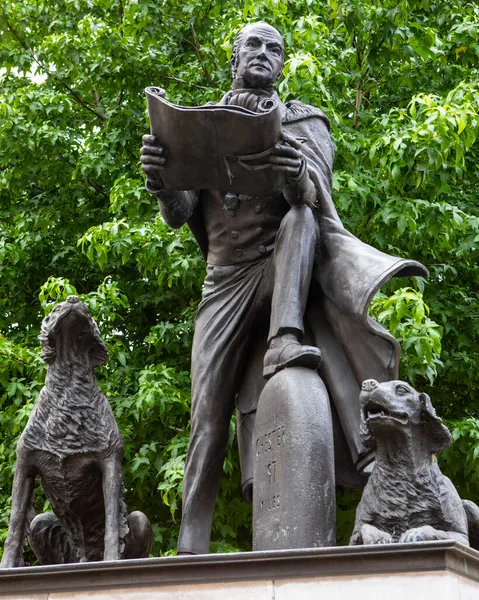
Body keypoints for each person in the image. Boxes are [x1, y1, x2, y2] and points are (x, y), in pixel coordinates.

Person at [141, 22, 427, 554]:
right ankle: (189, 545)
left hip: (282, 266)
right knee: (205, 416)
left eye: (276, 48)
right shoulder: (202, 123)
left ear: (282, 64)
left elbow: (316, 202)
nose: (265, 54)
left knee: (300, 218)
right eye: (254, 44)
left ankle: (284, 337)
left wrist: (297, 176)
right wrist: (160, 180)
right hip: (223, 280)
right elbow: (179, 213)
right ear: (234, 58)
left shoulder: (305, 122)